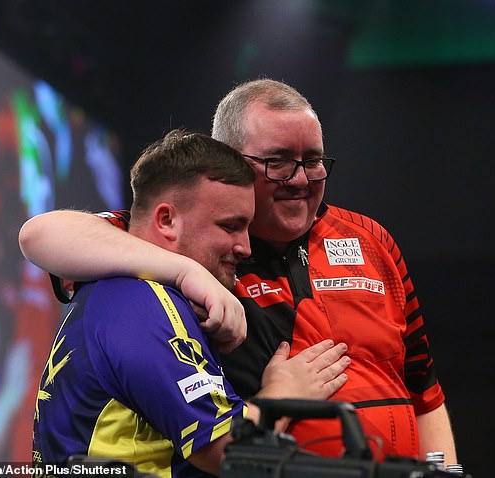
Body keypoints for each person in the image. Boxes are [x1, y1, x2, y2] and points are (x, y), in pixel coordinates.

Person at [20, 79, 457, 462]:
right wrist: (186, 273)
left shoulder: (372, 240)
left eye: (314, 159)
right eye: (279, 161)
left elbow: (425, 390)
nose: (301, 179)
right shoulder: (193, 244)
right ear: (227, 160)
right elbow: (40, 234)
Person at [30, 130, 350, 477]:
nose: (245, 247)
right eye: (231, 226)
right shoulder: (145, 304)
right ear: (166, 221)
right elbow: (229, 451)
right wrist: (285, 393)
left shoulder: (117, 280)